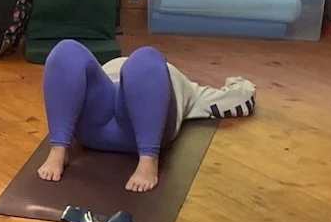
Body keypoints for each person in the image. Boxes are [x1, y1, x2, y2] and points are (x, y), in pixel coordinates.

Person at [35, 41, 256, 194]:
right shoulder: (181, 83)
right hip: (99, 113)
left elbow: (234, 102)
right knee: (66, 51)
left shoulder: (171, 80)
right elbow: (236, 100)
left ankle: (147, 159)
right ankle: (58, 149)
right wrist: (240, 84)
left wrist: (240, 88)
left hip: (124, 128)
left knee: (145, 60)